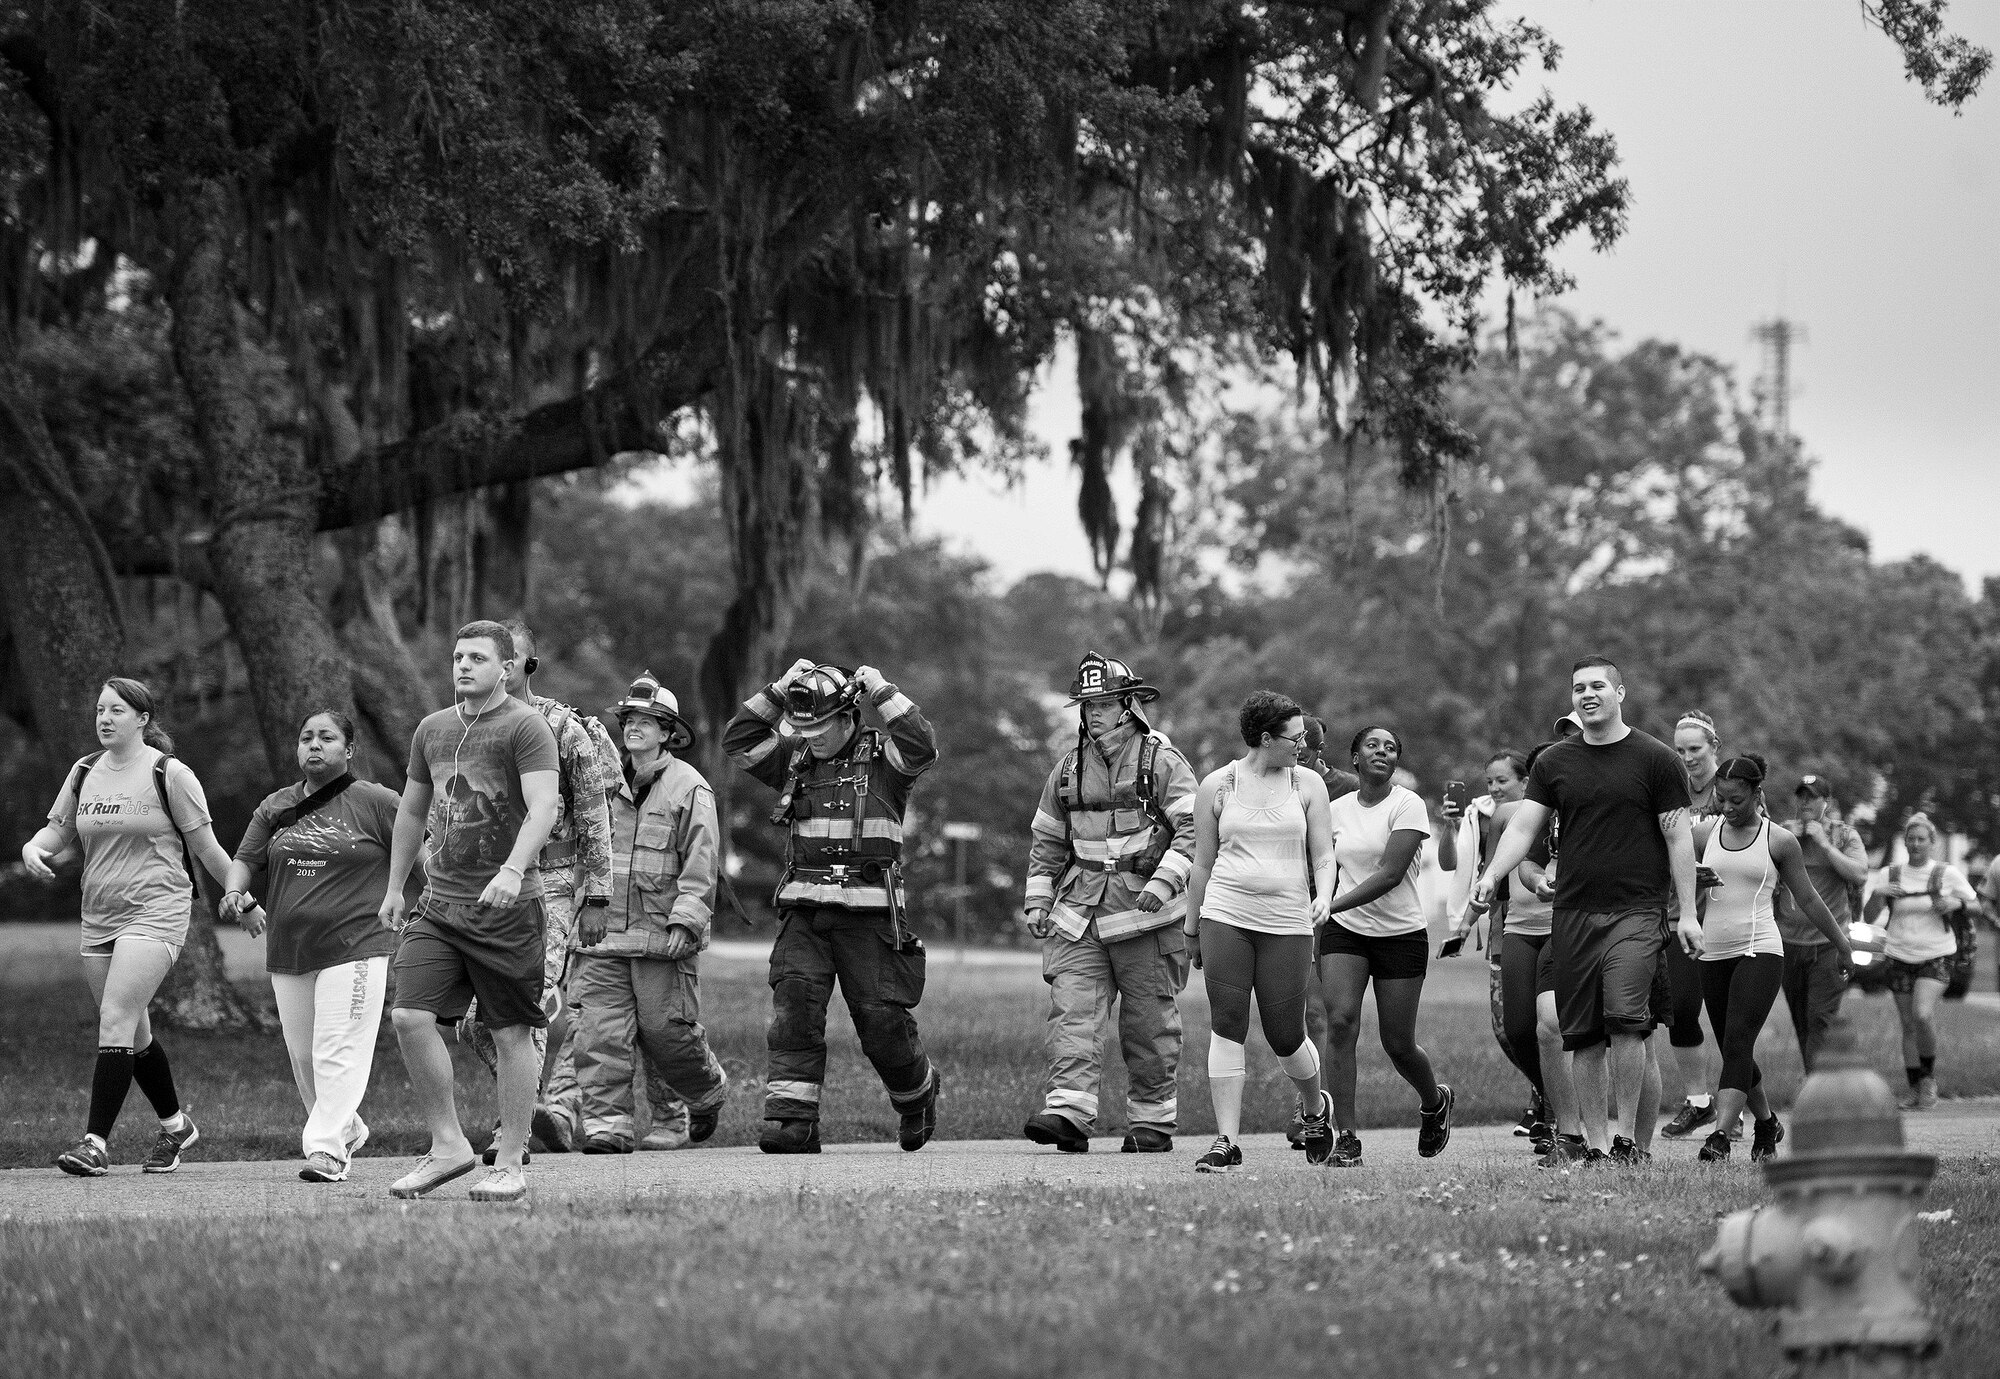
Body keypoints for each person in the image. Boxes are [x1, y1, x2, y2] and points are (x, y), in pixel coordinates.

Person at [1475, 656, 1697, 1167]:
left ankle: (1628, 1141)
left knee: (1624, 1020)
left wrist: (1686, 913)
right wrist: (1490, 876)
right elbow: (1524, 829)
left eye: (1598, 685)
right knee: (1584, 1033)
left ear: (1621, 692)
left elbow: (1678, 835)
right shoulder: (1555, 762)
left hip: (1636, 911)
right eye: (1578, 688)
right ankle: (1596, 1146)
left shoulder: (1657, 759)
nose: (1587, 694)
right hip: (1573, 913)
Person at [725, 658, 941, 1153]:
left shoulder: (887, 763)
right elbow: (738, 741)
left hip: (870, 916)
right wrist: (778, 692)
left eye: (822, 725)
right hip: (805, 910)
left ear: (848, 716)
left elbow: (922, 746)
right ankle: (791, 1121)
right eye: (804, 727)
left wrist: (883, 689)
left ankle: (917, 1094)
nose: (813, 735)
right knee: (794, 1010)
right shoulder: (794, 760)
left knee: (881, 1022)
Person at [378, 621, 562, 1202]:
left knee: (511, 1032)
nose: (462, 666)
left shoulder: (526, 727)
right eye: (458, 657)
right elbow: (411, 813)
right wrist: (394, 887)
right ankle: (448, 1146)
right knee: (409, 1016)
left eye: (477, 658)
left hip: (508, 909)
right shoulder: (433, 730)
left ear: (506, 668)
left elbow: (543, 808)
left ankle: (510, 1160)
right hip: (439, 906)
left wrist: (513, 870)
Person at [24, 678, 236, 1177]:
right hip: (99, 913)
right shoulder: (83, 772)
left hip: (157, 908)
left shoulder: (170, 773)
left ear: (142, 719)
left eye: (116, 710)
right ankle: (177, 1126)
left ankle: (94, 1144)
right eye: (100, 709)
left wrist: (239, 895)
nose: (104, 718)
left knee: (115, 1018)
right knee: (133, 1035)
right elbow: (58, 827)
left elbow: (206, 848)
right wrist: (35, 847)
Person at [1020, 653, 1198, 1154]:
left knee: (1147, 1026)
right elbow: (1047, 841)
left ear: (1128, 705)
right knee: (1072, 1013)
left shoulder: (1162, 761)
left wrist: (1164, 884)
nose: (1093, 712)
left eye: (1103, 703)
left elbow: (1197, 831)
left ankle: (1152, 1122)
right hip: (1078, 915)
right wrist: (1037, 899)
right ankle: (1070, 1114)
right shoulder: (1067, 769)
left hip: (1144, 918)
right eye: (1086, 704)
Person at [458, 619, 618, 1162]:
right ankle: (529, 1109)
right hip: (481, 884)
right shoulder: (464, 726)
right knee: (476, 1022)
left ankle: (514, 1133)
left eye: (511, 658)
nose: (497, 668)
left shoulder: (565, 728)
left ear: (527, 666)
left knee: (526, 1004)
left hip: (549, 884)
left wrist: (596, 895)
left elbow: (597, 812)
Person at [222, 709, 403, 1183]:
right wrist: (235, 893)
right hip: (289, 947)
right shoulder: (276, 806)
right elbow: (244, 859)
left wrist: (412, 899)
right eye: (306, 738)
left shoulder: (378, 802)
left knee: (336, 1049)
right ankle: (346, 1128)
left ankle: (325, 1151)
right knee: (304, 1057)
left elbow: (418, 854)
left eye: (326, 738)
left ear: (349, 749)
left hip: (358, 942)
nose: (314, 746)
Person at [554, 673, 731, 1152]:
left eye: (647, 721)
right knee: (599, 1035)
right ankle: (608, 1126)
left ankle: (705, 1090)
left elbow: (702, 859)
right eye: (629, 719)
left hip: (661, 936)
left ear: (668, 732)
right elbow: (579, 848)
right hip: (600, 934)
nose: (634, 727)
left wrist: (687, 920)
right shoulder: (600, 782)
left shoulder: (689, 787)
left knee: (666, 1034)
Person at [1184, 691, 1335, 1171]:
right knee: (1227, 1022)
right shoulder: (1218, 785)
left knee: (1285, 1034)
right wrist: (1192, 926)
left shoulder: (1308, 784)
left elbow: (1324, 855)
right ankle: (1226, 1140)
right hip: (1226, 915)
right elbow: (1202, 863)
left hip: (1287, 922)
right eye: (1295, 736)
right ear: (1266, 738)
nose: (1304, 743)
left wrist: (1324, 895)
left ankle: (1315, 1109)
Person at [1687, 755, 1857, 1163]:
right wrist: (1693, 872)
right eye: (1721, 799)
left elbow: (1809, 898)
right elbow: (1666, 864)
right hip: (1712, 952)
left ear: (1757, 795)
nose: (1727, 808)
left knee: (1739, 1038)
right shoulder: (1704, 833)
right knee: (1734, 1049)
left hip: (1760, 949)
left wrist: (1843, 944)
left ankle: (1721, 1135)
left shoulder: (1778, 840)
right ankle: (1766, 1123)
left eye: (1737, 800)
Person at [1317, 725, 1454, 1167]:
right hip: (1347, 931)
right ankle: (1348, 1138)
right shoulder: (1333, 810)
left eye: (1391, 747)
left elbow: (1391, 873)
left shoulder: (1407, 804)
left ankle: (1434, 1102)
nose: (1382, 751)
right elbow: (1319, 863)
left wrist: (1328, 904)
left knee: (1398, 1044)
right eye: (1372, 745)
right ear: (1354, 757)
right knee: (1339, 1024)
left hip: (1401, 935)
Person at [1445, 749, 1548, 1143]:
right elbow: (1491, 878)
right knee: (1509, 1029)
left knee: (1548, 1024)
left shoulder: (1554, 815)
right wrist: (1465, 924)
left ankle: (1549, 1107)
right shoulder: (1494, 819)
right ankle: (1544, 1092)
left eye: (1502, 780)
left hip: (1552, 926)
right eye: (1489, 781)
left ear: (1526, 781)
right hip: (1507, 928)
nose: (1493, 788)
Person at [1863, 812, 1977, 1111]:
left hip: (1936, 954)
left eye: (1921, 839)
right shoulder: (1890, 874)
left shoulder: (1945, 874)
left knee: (1922, 1014)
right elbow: (1869, 917)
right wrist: (1878, 893)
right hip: (1898, 954)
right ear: (1905, 842)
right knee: (1907, 1023)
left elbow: (1976, 903)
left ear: (1931, 842)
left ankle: (1928, 1079)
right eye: (1910, 839)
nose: (1915, 844)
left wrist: (1956, 902)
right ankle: (1914, 1088)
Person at [1660, 710, 1725, 1140]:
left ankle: (1741, 1111)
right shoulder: (1670, 791)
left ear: (1714, 747)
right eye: (1680, 751)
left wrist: (1712, 864)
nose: (1686, 759)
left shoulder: (1732, 790)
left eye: (1695, 749)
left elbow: (1756, 843)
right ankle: (1699, 1101)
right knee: (1681, 1010)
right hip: (1676, 915)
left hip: (1724, 915)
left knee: (1728, 1018)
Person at [1775, 775, 1869, 1072]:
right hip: (1788, 943)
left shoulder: (1844, 836)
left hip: (1829, 945)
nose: (1805, 802)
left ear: (1827, 803)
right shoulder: (1782, 834)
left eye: (1812, 797)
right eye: (1801, 796)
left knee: (1820, 1019)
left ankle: (1817, 1087)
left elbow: (1859, 874)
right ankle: (1818, 1084)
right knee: (1802, 1021)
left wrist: (1824, 843)